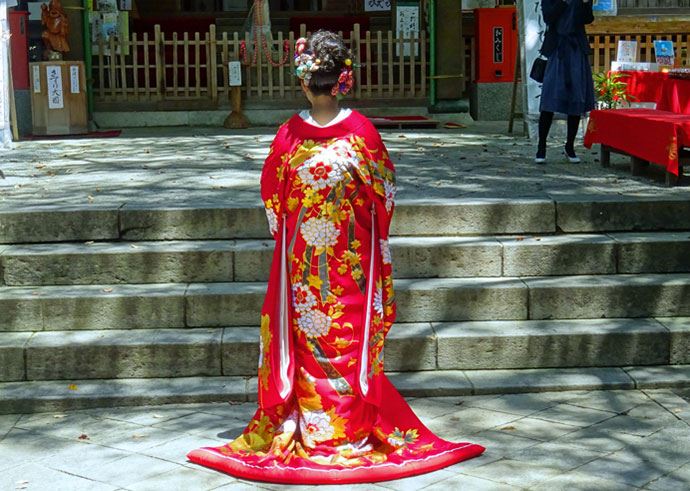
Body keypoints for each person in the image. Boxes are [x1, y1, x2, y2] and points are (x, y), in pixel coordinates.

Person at [186, 30, 485, 485]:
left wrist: (298, 229)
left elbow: (272, 199)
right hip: (352, 263)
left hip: (303, 264)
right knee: (347, 341)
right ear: (343, 81)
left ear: (304, 83)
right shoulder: (362, 134)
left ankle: (311, 426)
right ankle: (350, 432)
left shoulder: (289, 136)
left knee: (308, 340)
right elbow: (385, 195)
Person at [536, 0, 595, 164]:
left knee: (576, 98)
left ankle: (570, 146)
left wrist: (585, 3)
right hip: (557, 51)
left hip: (576, 51)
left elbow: (588, 18)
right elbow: (549, 18)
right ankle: (541, 146)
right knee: (549, 99)